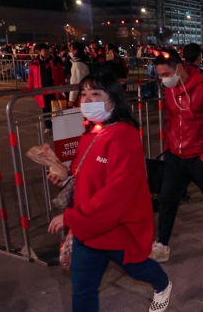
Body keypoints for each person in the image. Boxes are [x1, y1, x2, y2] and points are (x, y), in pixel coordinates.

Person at [47, 71, 172, 312]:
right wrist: (66, 174)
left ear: (113, 99)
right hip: (88, 229)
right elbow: (85, 169)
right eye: (83, 94)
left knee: (138, 268)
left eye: (95, 94)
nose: (87, 100)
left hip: (116, 229)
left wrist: (72, 217)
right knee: (83, 290)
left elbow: (116, 195)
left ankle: (163, 285)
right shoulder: (92, 132)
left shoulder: (124, 137)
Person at [150, 49, 203, 263]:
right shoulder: (170, 91)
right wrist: (168, 147)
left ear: (179, 68)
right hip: (175, 156)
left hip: (199, 156)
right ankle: (162, 245)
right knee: (167, 200)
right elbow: (170, 119)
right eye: (160, 75)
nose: (163, 80)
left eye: (166, 74)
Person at [27, 43, 66, 135]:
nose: (47, 52)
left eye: (48, 50)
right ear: (39, 52)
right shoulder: (34, 63)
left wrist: (62, 86)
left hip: (54, 89)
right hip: (42, 90)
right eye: (45, 50)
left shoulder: (55, 61)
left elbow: (61, 74)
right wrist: (30, 89)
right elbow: (31, 77)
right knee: (46, 110)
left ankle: (58, 127)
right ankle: (48, 127)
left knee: (56, 108)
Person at [67, 42, 90, 108]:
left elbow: (75, 83)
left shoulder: (77, 65)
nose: (70, 51)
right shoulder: (85, 61)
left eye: (71, 49)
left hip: (80, 97)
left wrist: (72, 99)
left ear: (75, 51)